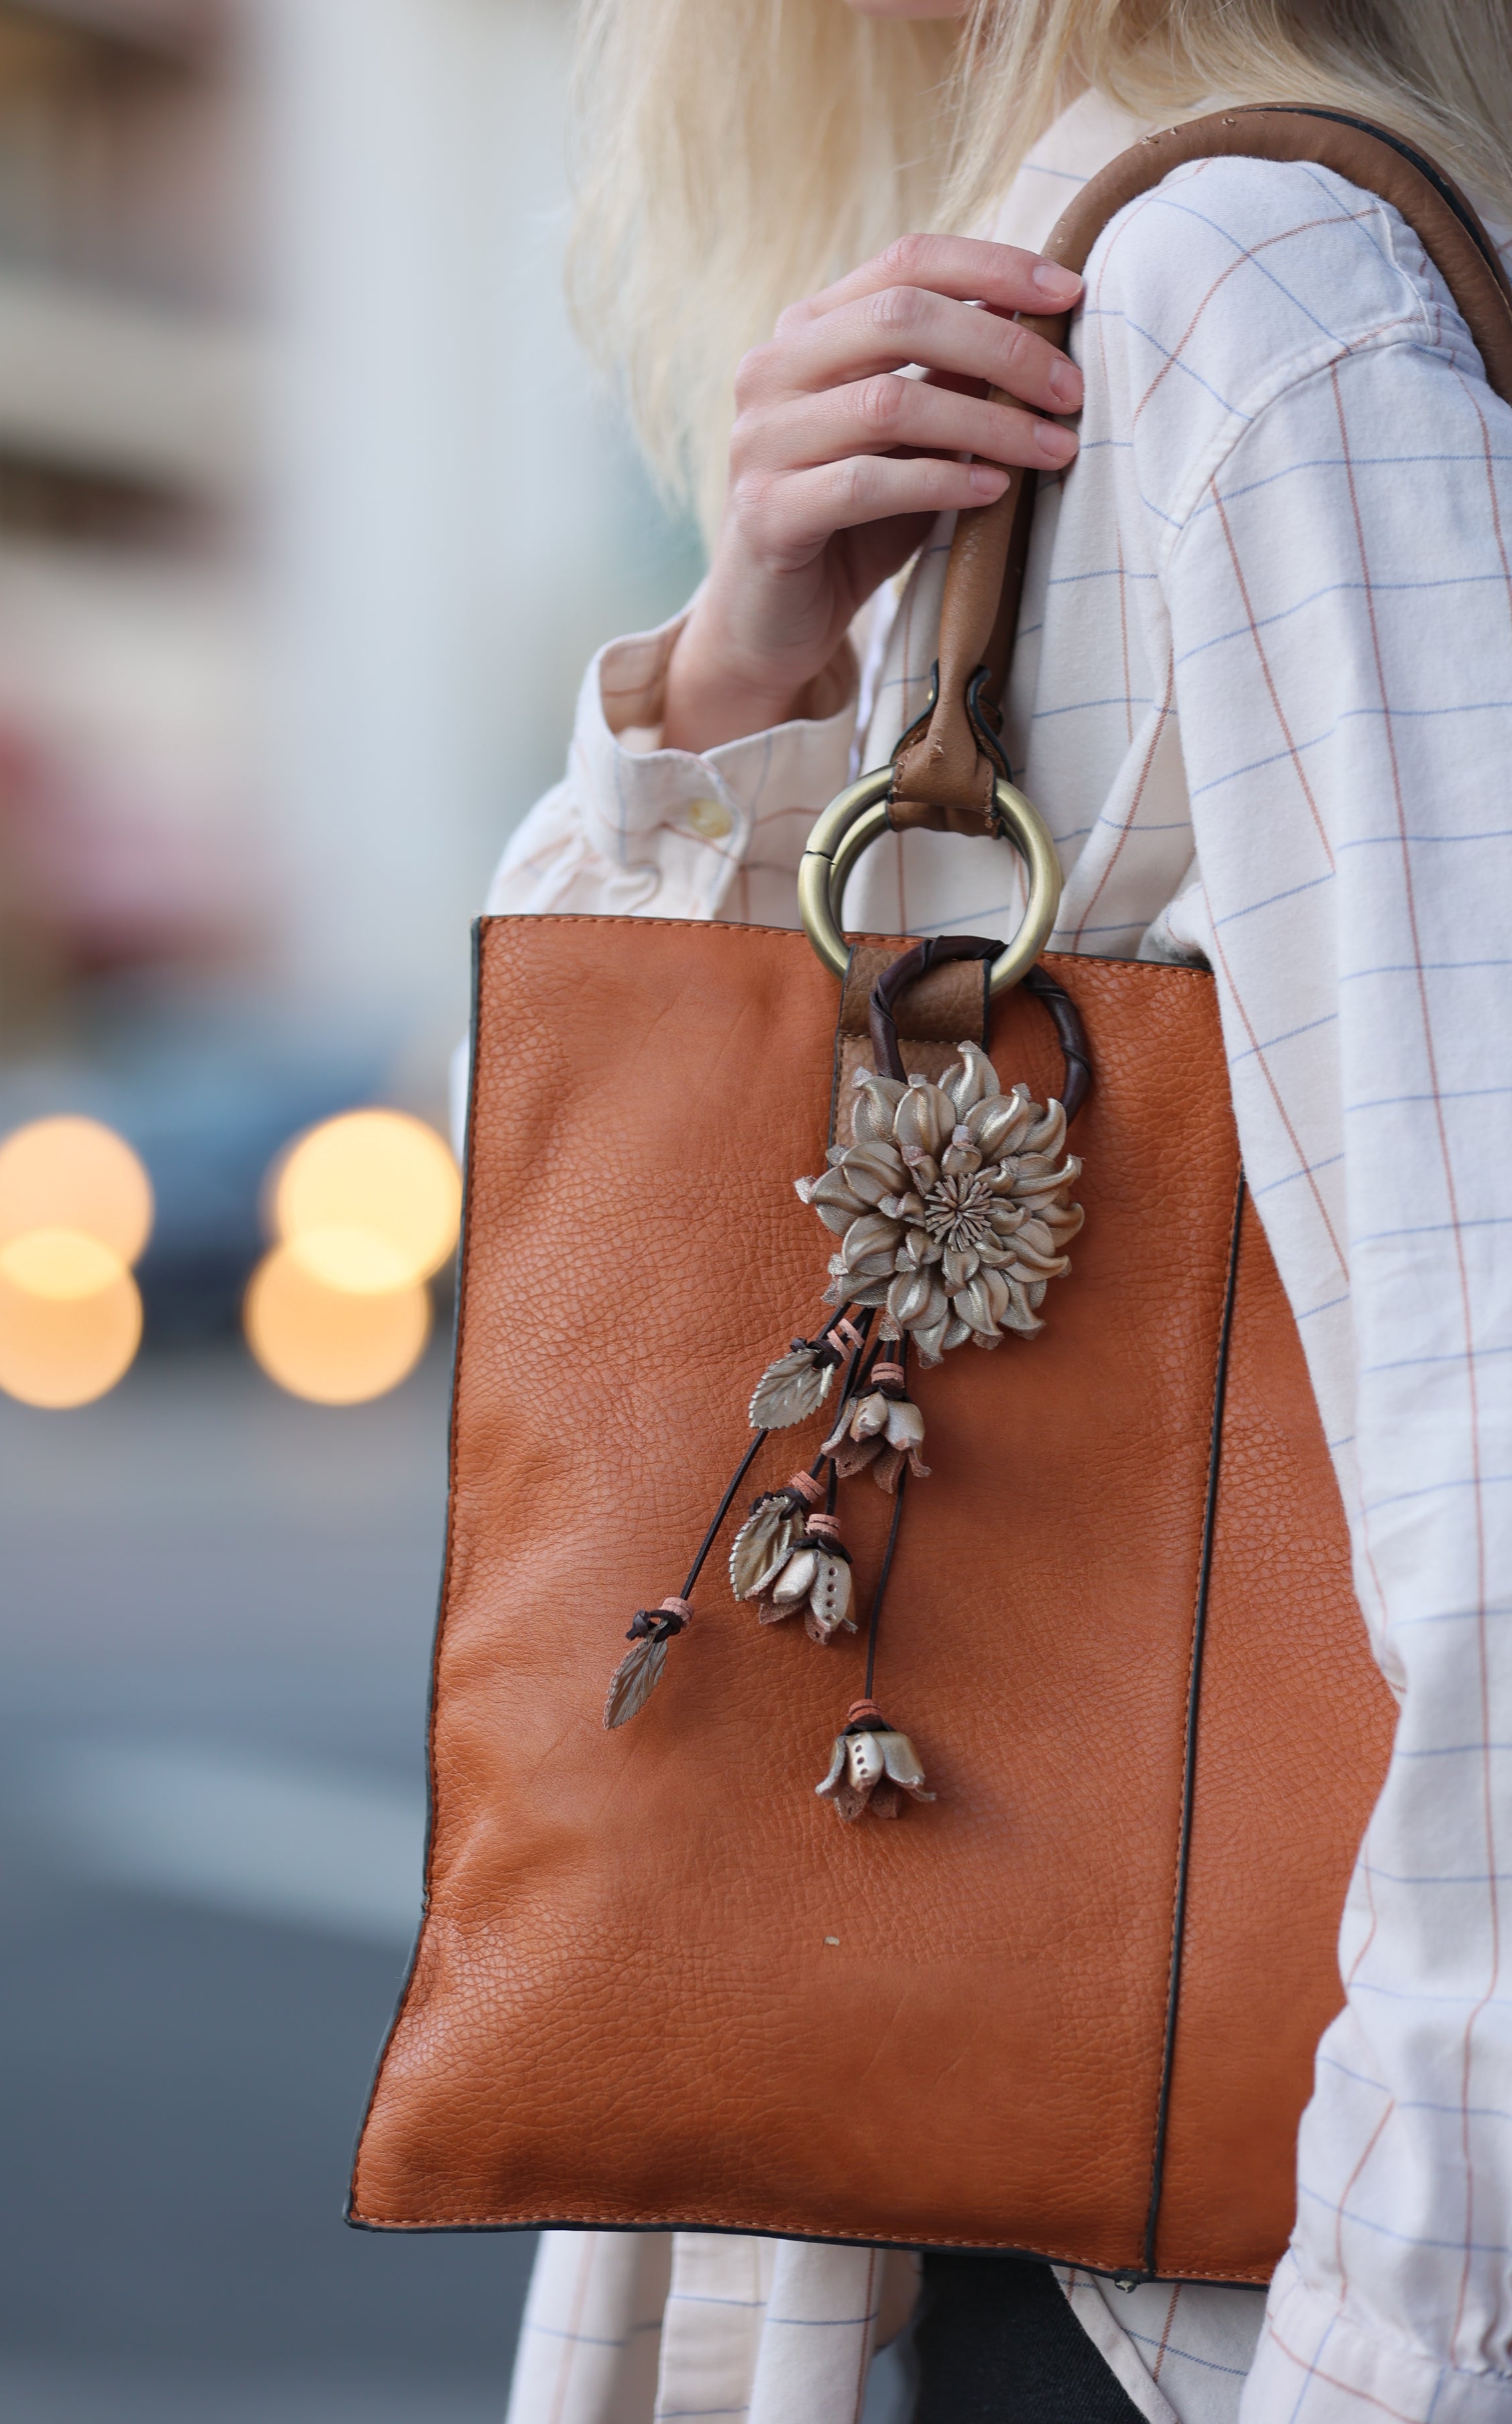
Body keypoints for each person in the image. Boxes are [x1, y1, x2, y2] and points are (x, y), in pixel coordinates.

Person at [489, 3, 1512, 2419]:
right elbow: (575, 1257)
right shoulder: (1074, 299)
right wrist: (747, 683)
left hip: (1191, 2285)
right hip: (1000, 2185)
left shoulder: (1254, 299)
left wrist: (1401, 2350)